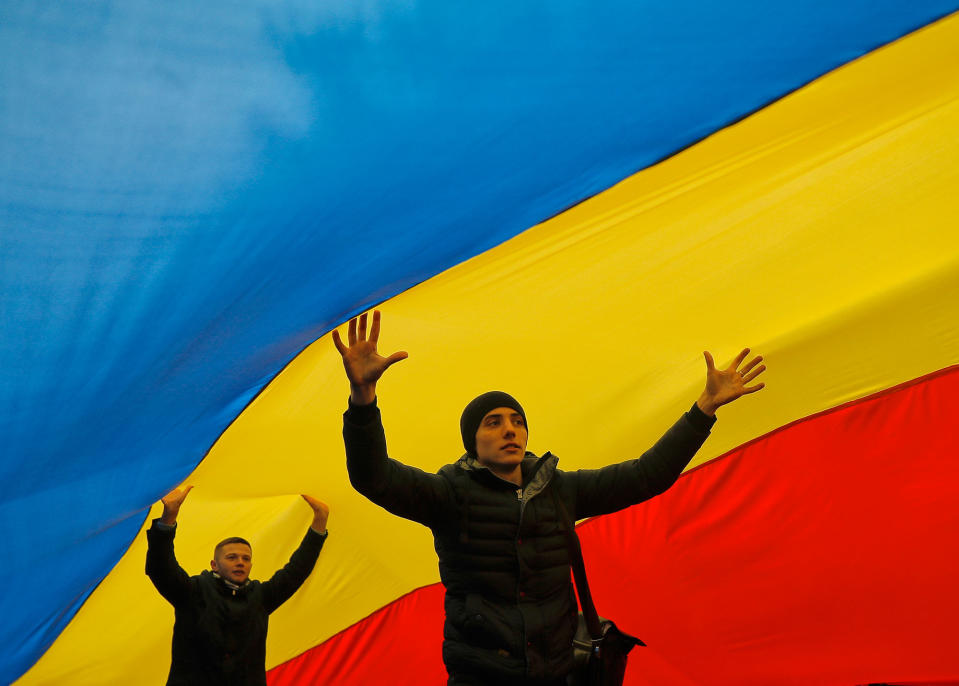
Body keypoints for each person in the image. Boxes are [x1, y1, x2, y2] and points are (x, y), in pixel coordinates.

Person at [333, 310, 765, 686]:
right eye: (493, 422)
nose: (510, 430)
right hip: (481, 676)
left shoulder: (560, 489)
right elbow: (374, 478)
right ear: (472, 442)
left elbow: (646, 475)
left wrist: (703, 409)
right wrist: (363, 399)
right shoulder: (448, 495)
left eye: (517, 421)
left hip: (556, 673)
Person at [145, 486, 329, 686]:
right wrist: (168, 517)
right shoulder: (192, 592)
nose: (240, 562)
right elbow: (160, 567)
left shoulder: (260, 597)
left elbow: (297, 570)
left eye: (246, 558)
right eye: (232, 557)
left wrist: (320, 521)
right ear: (214, 565)